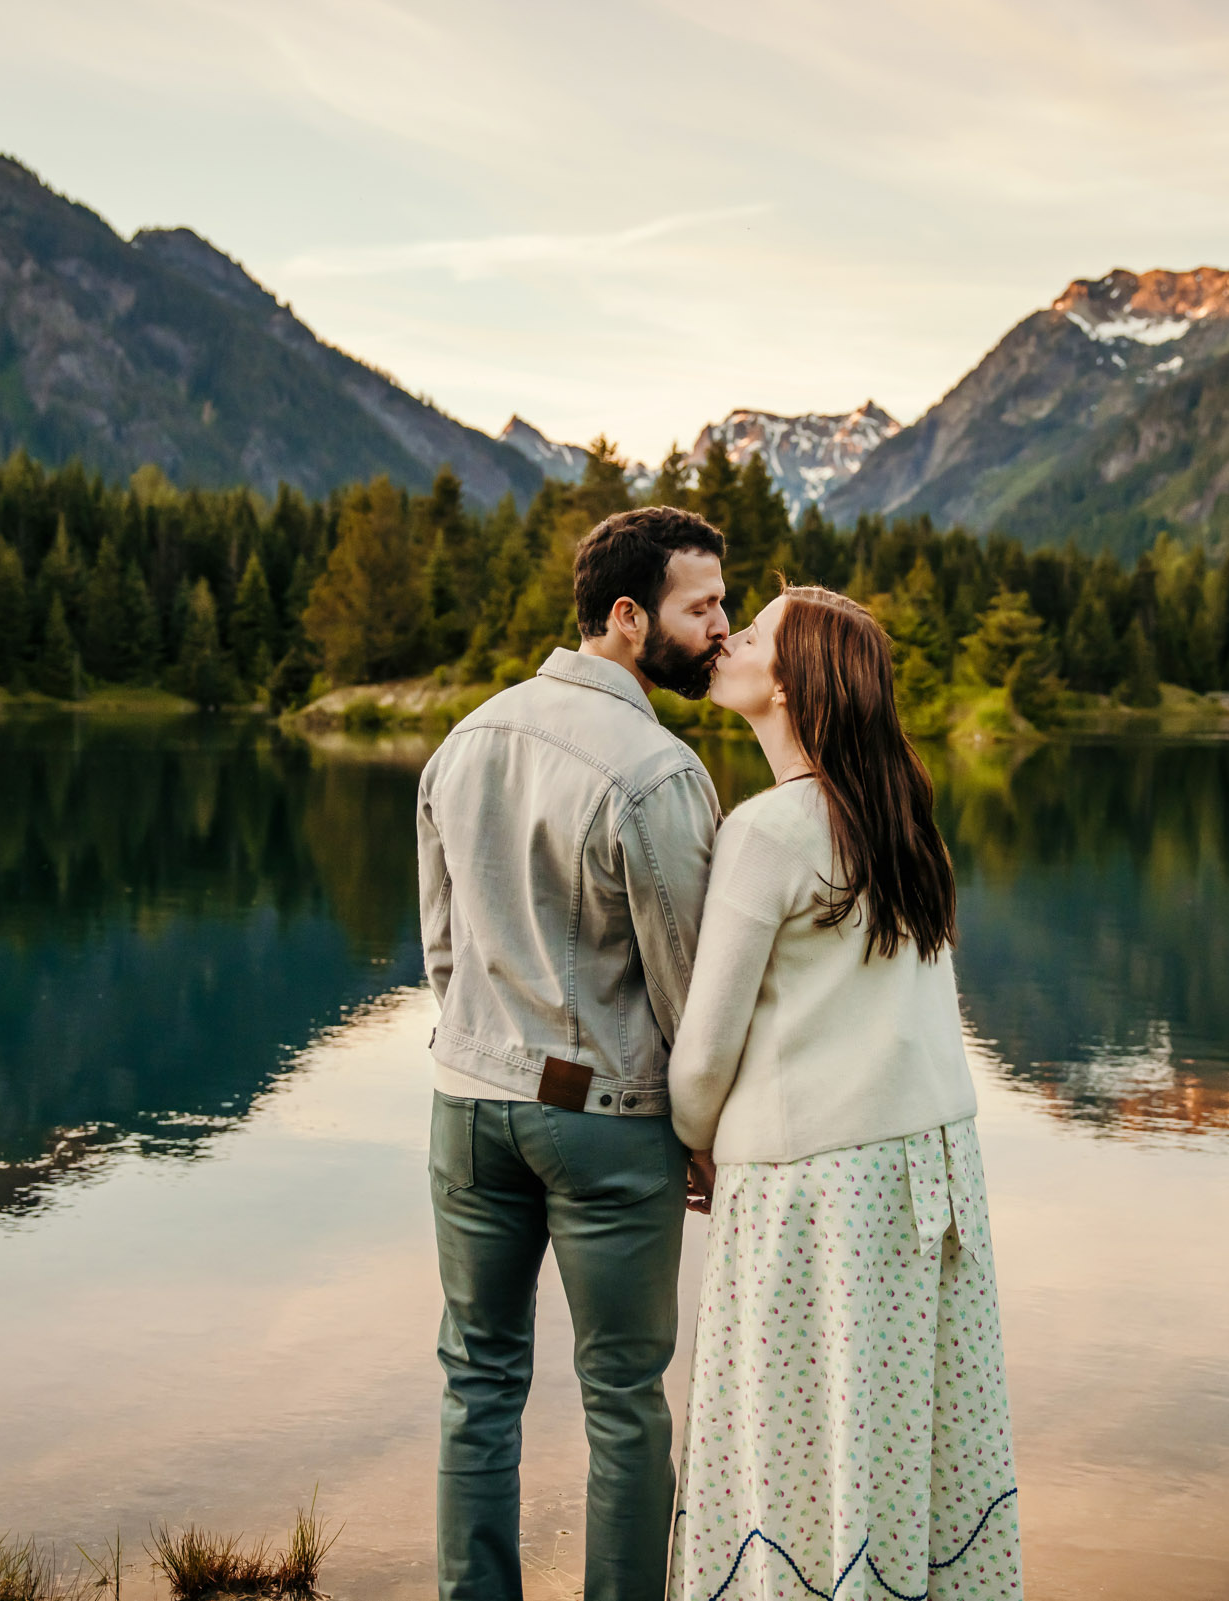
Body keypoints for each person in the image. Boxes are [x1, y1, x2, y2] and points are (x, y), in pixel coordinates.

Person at [666, 586, 1023, 1601]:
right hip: (933, 1168)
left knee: (795, 1445)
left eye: (757, 635)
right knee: (903, 1435)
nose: (728, 639)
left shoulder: (769, 828)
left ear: (791, 683)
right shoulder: (903, 814)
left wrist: (694, 1136)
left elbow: (703, 1056)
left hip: (818, 1186)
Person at [415, 505, 732, 1601]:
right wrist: (703, 1137)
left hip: (465, 1102)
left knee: (477, 1381)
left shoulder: (468, 737)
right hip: (603, 1122)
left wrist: (477, 1051)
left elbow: (443, 948)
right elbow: (694, 993)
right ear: (631, 616)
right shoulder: (660, 771)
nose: (723, 630)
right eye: (703, 607)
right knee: (626, 1397)